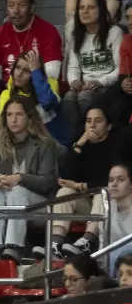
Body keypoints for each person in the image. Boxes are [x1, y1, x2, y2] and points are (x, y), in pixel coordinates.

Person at [0, 96, 60, 261]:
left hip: (40, 206)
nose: (13, 120)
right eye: (9, 115)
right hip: (7, 200)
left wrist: (19, 178)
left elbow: (47, 183)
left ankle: (14, 247)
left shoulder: (44, 143)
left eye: (19, 114)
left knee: (17, 190)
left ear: (29, 117)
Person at [50, 107, 121, 258]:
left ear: (108, 126)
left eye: (98, 121)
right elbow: (66, 177)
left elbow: (111, 179)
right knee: (64, 192)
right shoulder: (81, 145)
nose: (92, 125)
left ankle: (88, 241)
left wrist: (81, 186)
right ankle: (56, 243)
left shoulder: (117, 146)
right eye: (88, 121)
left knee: (103, 192)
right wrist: (79, 144)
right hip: (86, 205)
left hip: (110, 205)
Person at [64, 0, 123, 125]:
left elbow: (119, 69)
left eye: (90, 7)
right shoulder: (76, 36)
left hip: (108, 85)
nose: (85, 11)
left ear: (101, 10)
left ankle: (92, 132)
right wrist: (74, 81)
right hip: (86, 86)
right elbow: (73, 67)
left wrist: (99, 82)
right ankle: (77, 134)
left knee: (84, 97)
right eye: (81, 8)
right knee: (68, 97)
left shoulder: (114, 32)